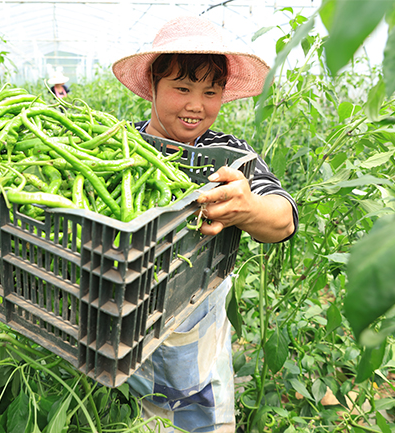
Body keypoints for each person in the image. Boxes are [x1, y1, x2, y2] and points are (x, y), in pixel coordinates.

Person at [111, 16, 298, 432]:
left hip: (196, 332)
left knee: (198, 416)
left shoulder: (228, 155)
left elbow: (283, 218)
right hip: (122, 324)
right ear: (153, 88)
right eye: (182, 89)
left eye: (210, 93)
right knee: (127, 416)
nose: (196, 105)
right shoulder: (122, 142)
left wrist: (247, 209)